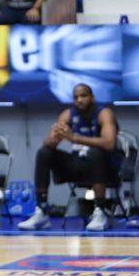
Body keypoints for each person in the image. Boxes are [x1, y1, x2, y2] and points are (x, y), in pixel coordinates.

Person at [18, 84, 119, 232]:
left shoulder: (104, 113)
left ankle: (100, 211)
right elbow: (49, 142)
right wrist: (55, 135)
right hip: (78, 163)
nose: (79, 100)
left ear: (92, 97)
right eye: (76, 97)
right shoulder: (67, 114)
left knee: (95, 153)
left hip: (104, 167)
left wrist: (74, 137)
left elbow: (109, 143)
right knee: (44, 152)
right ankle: (42, 211)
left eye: (83, 96)